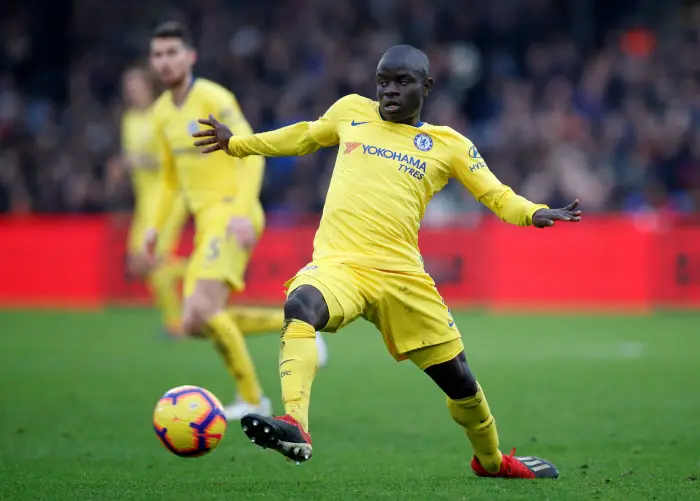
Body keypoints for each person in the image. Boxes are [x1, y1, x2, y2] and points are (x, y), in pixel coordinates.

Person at [193, 45, 581, 478]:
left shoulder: (449, 144)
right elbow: (302, 135)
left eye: (402, 82)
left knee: (460, 380)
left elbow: (496, 194)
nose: (389, 91)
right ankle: (295, 424)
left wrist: (533, 212)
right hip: (341, 265)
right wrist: (237, 144)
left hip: (402, 277)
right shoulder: (350, 112)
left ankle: (492, 462)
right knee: (300, 304)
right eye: (383, 82)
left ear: (426, 87)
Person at [145, 21, 328, 420]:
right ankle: (298, 325)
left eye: (172, 52)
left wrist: (243, 211)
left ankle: (252, 398)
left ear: (190, 57)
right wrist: (155, 226)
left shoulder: (213, 98)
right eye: (157, 54)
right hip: (206, 222)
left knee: (202, 308)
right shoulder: (160, 114)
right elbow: (170, 179)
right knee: (194, 322)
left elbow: (250, 152)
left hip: (231, 213)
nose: (164, 61)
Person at [121, 66, 189, 338]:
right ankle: (206, 271)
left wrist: (140, 161)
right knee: (138, 264)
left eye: (136, 86)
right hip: (145, 199)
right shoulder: (128, 119)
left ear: (149, 87)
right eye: (128, 88)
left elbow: (175, 158)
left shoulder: (163, 114)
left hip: (167, 196)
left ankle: (176, 323)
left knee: (154, 261)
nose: (132, 92)